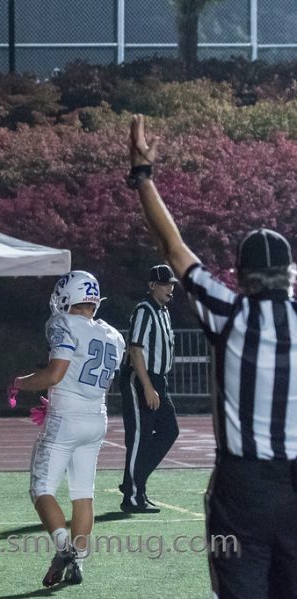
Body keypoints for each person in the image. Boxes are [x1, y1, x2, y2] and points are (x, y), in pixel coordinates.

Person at [127, 114, 297, 599]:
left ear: (241, 276)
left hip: (242, 487)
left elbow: (173, 247)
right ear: (289, 276)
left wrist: (143, 175)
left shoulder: (229, 312)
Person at [7, 270, 125, 587]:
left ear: (67, 297)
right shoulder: (114, 335)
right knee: (82, 493)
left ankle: (64, 550)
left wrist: (21, 383)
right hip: (97, 416)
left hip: (67, 418)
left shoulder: (63, 323)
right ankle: (80, 561)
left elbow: (55, 374)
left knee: (41, 488)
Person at [118, 264, 180, 513]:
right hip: (140, 378)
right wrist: (147, 387)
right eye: (165, 284)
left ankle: (134, 482)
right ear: (152, 285)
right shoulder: (145, 310)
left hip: (158, 380)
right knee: (139, 437)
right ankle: (132, 496)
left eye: (172, 284)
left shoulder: (162, 310)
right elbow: (135, 350)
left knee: (169, 430)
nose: (170, 288)